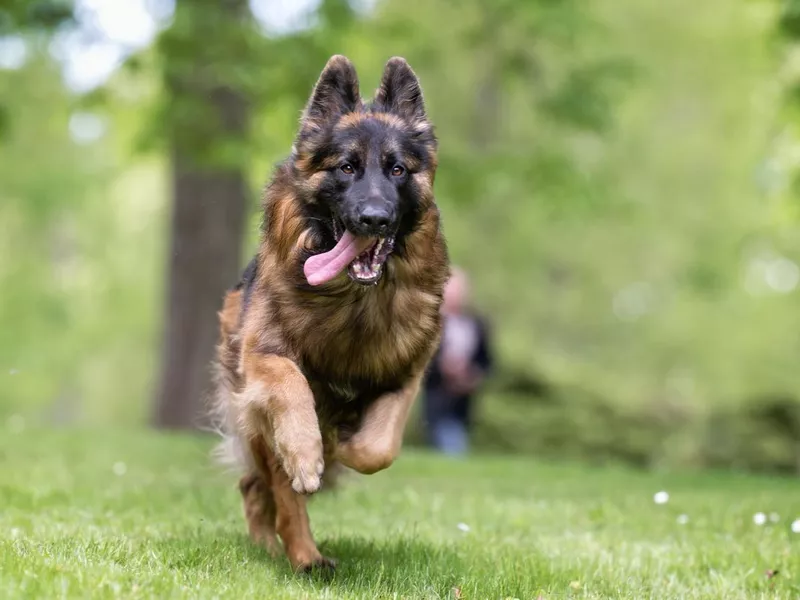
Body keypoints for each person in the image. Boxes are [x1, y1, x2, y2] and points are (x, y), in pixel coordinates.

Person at [422, 266, 493, 455]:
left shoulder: (477, 324)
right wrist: (443, 368)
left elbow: (487, 360)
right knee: (447, 441)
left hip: (464, 402)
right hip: (436, 397)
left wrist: (473, 375)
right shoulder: (428, 322)